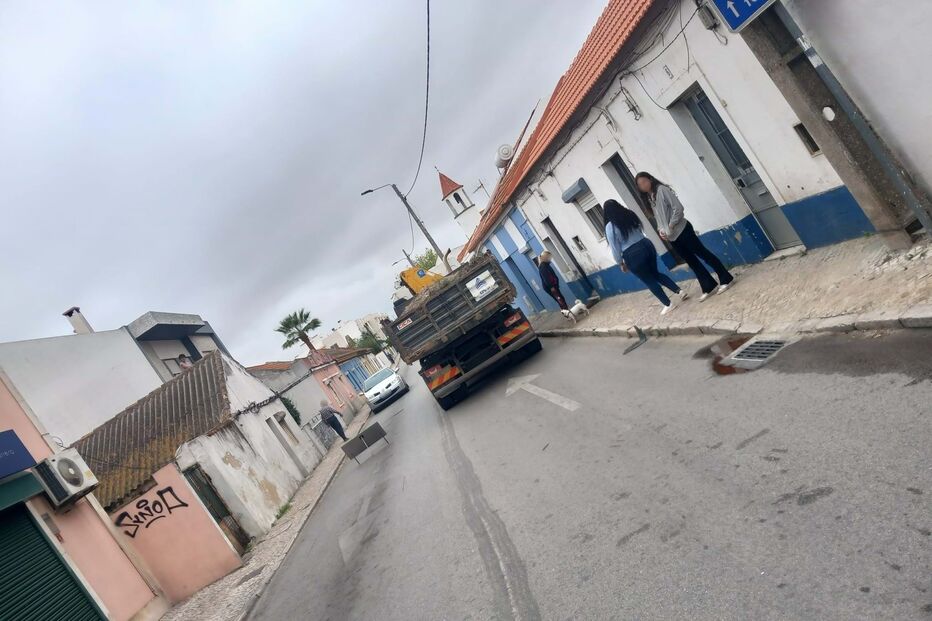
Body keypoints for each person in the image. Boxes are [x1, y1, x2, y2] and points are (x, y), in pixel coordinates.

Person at [635, 172, 734, 301]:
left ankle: (726, 278)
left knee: (703, 254)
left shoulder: (662, 190)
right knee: (692, 262)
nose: (643, 185)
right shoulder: (650, 199)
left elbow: (678, 208)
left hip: (682, 230)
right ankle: (708, 285)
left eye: (644, 181)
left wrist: (670, 226)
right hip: (672, 237)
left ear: (650, 179)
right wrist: (661, 230)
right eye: (640, 184)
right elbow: (658, 219)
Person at [604, 199, 687, 316]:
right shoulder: (630, 214)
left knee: (649, 280)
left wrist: (620, 263)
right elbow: (640, 229)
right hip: (646, 244)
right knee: (655, 273)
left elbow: (614, 247)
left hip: (632, 254)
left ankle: (668, 304)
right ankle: (680, 291)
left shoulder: (610, 227)